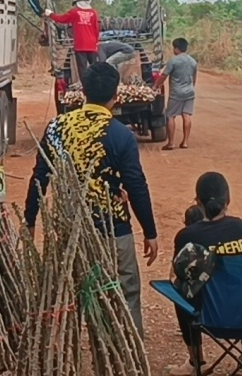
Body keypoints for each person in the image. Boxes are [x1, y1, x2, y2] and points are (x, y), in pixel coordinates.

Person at [24, 63, 159, 336]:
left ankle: (67, 350)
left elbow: (40, 176)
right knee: (125, 289)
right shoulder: (121, 134)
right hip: (113, 230)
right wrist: (149, 231)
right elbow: (136, 185)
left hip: (69, 226)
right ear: (116, 98)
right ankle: (127, 349)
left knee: (70, 290)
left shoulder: (55, 128)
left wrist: (30, 220)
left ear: (83, 93)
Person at [169, 172, 242, 376]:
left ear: (197, 201)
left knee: (179, 287)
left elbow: (178, 273)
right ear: (228, 200)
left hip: (207, 316)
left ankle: (197, 362)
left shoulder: (188, 236)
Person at [156, 37, 198, 151]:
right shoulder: (193, 61)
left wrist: (155, 86)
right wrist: (190, 88)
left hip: (176, 93)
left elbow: (164, 76)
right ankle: (185, 142)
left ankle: (171, 143)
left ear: (176, 48)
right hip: (189, 92)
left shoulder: (173, 61)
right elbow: (194, 79)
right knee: (187, 115)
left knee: (170, 116)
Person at [46, 0, 100, 76]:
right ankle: (97, 84)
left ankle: (85, 86)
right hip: (92, 45)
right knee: (95, 67)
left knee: (82, 68)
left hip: (80, 45)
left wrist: (50, 14)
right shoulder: (94, 13)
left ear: (77, 3)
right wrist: (96, 42)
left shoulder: (74, 12)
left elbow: (62, 19)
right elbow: (97, 28)